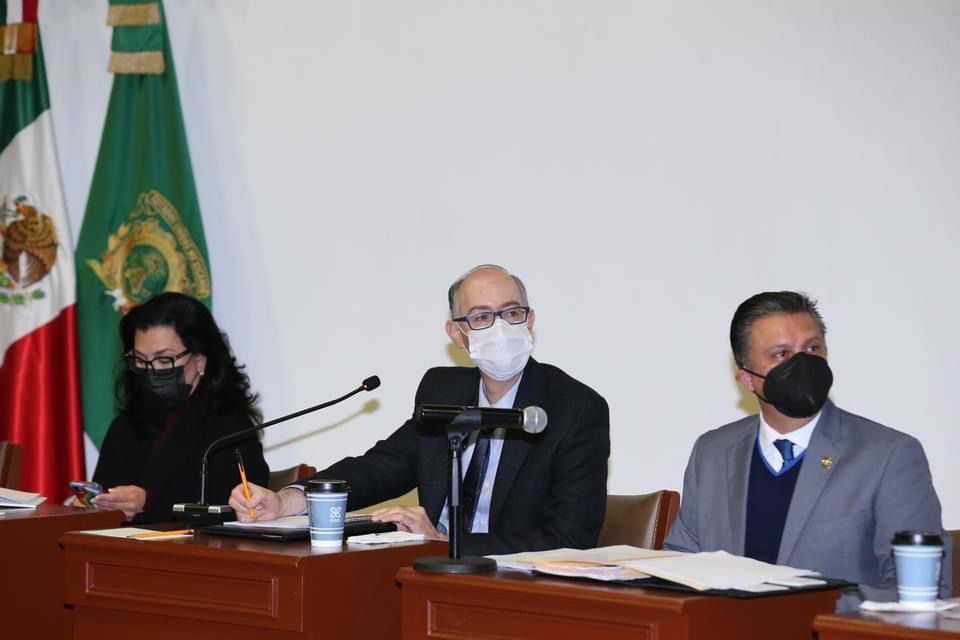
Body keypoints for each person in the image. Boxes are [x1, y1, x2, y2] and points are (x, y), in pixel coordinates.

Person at [230, 264, 610, 555]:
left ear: (530, 320)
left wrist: (445, 543)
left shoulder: (574, 409)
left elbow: (570, 538)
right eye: (481, 317)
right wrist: (287, 501)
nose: (499, 327)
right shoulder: (443, 390)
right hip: (426, 578)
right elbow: (381, 466)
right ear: (457, 334)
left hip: (513, 591)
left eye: (511, 313)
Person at [664, 291, 951, 607]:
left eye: (812, 349)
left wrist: (808, 609)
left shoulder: (888, 456)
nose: (802, 364)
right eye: (781, 354)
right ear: (746, 378)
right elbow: (681, 564)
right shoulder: (713, 453)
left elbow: (922, 590)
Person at [87, 292, 269, 523]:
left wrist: (148, 502)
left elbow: (234, 510)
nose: (151, 370)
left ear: (200, 359)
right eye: (141, 360)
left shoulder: (230, 427)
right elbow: (104, 497)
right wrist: (91, 503)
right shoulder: (126, 425)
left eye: (164, 360)